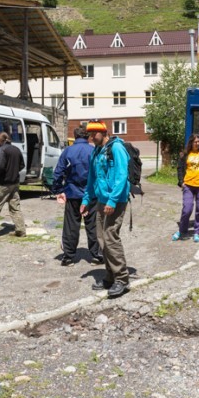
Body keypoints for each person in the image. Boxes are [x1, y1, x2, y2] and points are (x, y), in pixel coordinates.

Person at [80, 121, 131, 299]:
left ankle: (122, 279)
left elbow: (122, 175)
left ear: (104, 132)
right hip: (102, 201)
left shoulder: (116, 148)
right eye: (89, 134)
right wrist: (86, 199)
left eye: (95, 133)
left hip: (115, 201)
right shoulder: (96, 151)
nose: (92, 137)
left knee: (110, 237)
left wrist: (113, 200)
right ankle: (110, 275)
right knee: (101, 238)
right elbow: (91, 179)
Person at [52, 125, 103, 266]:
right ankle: (96, 255)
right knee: (93, 225)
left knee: (71, 225)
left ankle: (68, 257)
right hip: (91, 193)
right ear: (88, 136)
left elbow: (58, 173)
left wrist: (57, 190)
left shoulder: (67, 151)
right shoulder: (93, 151)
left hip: (72, 193)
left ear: (74, 136)